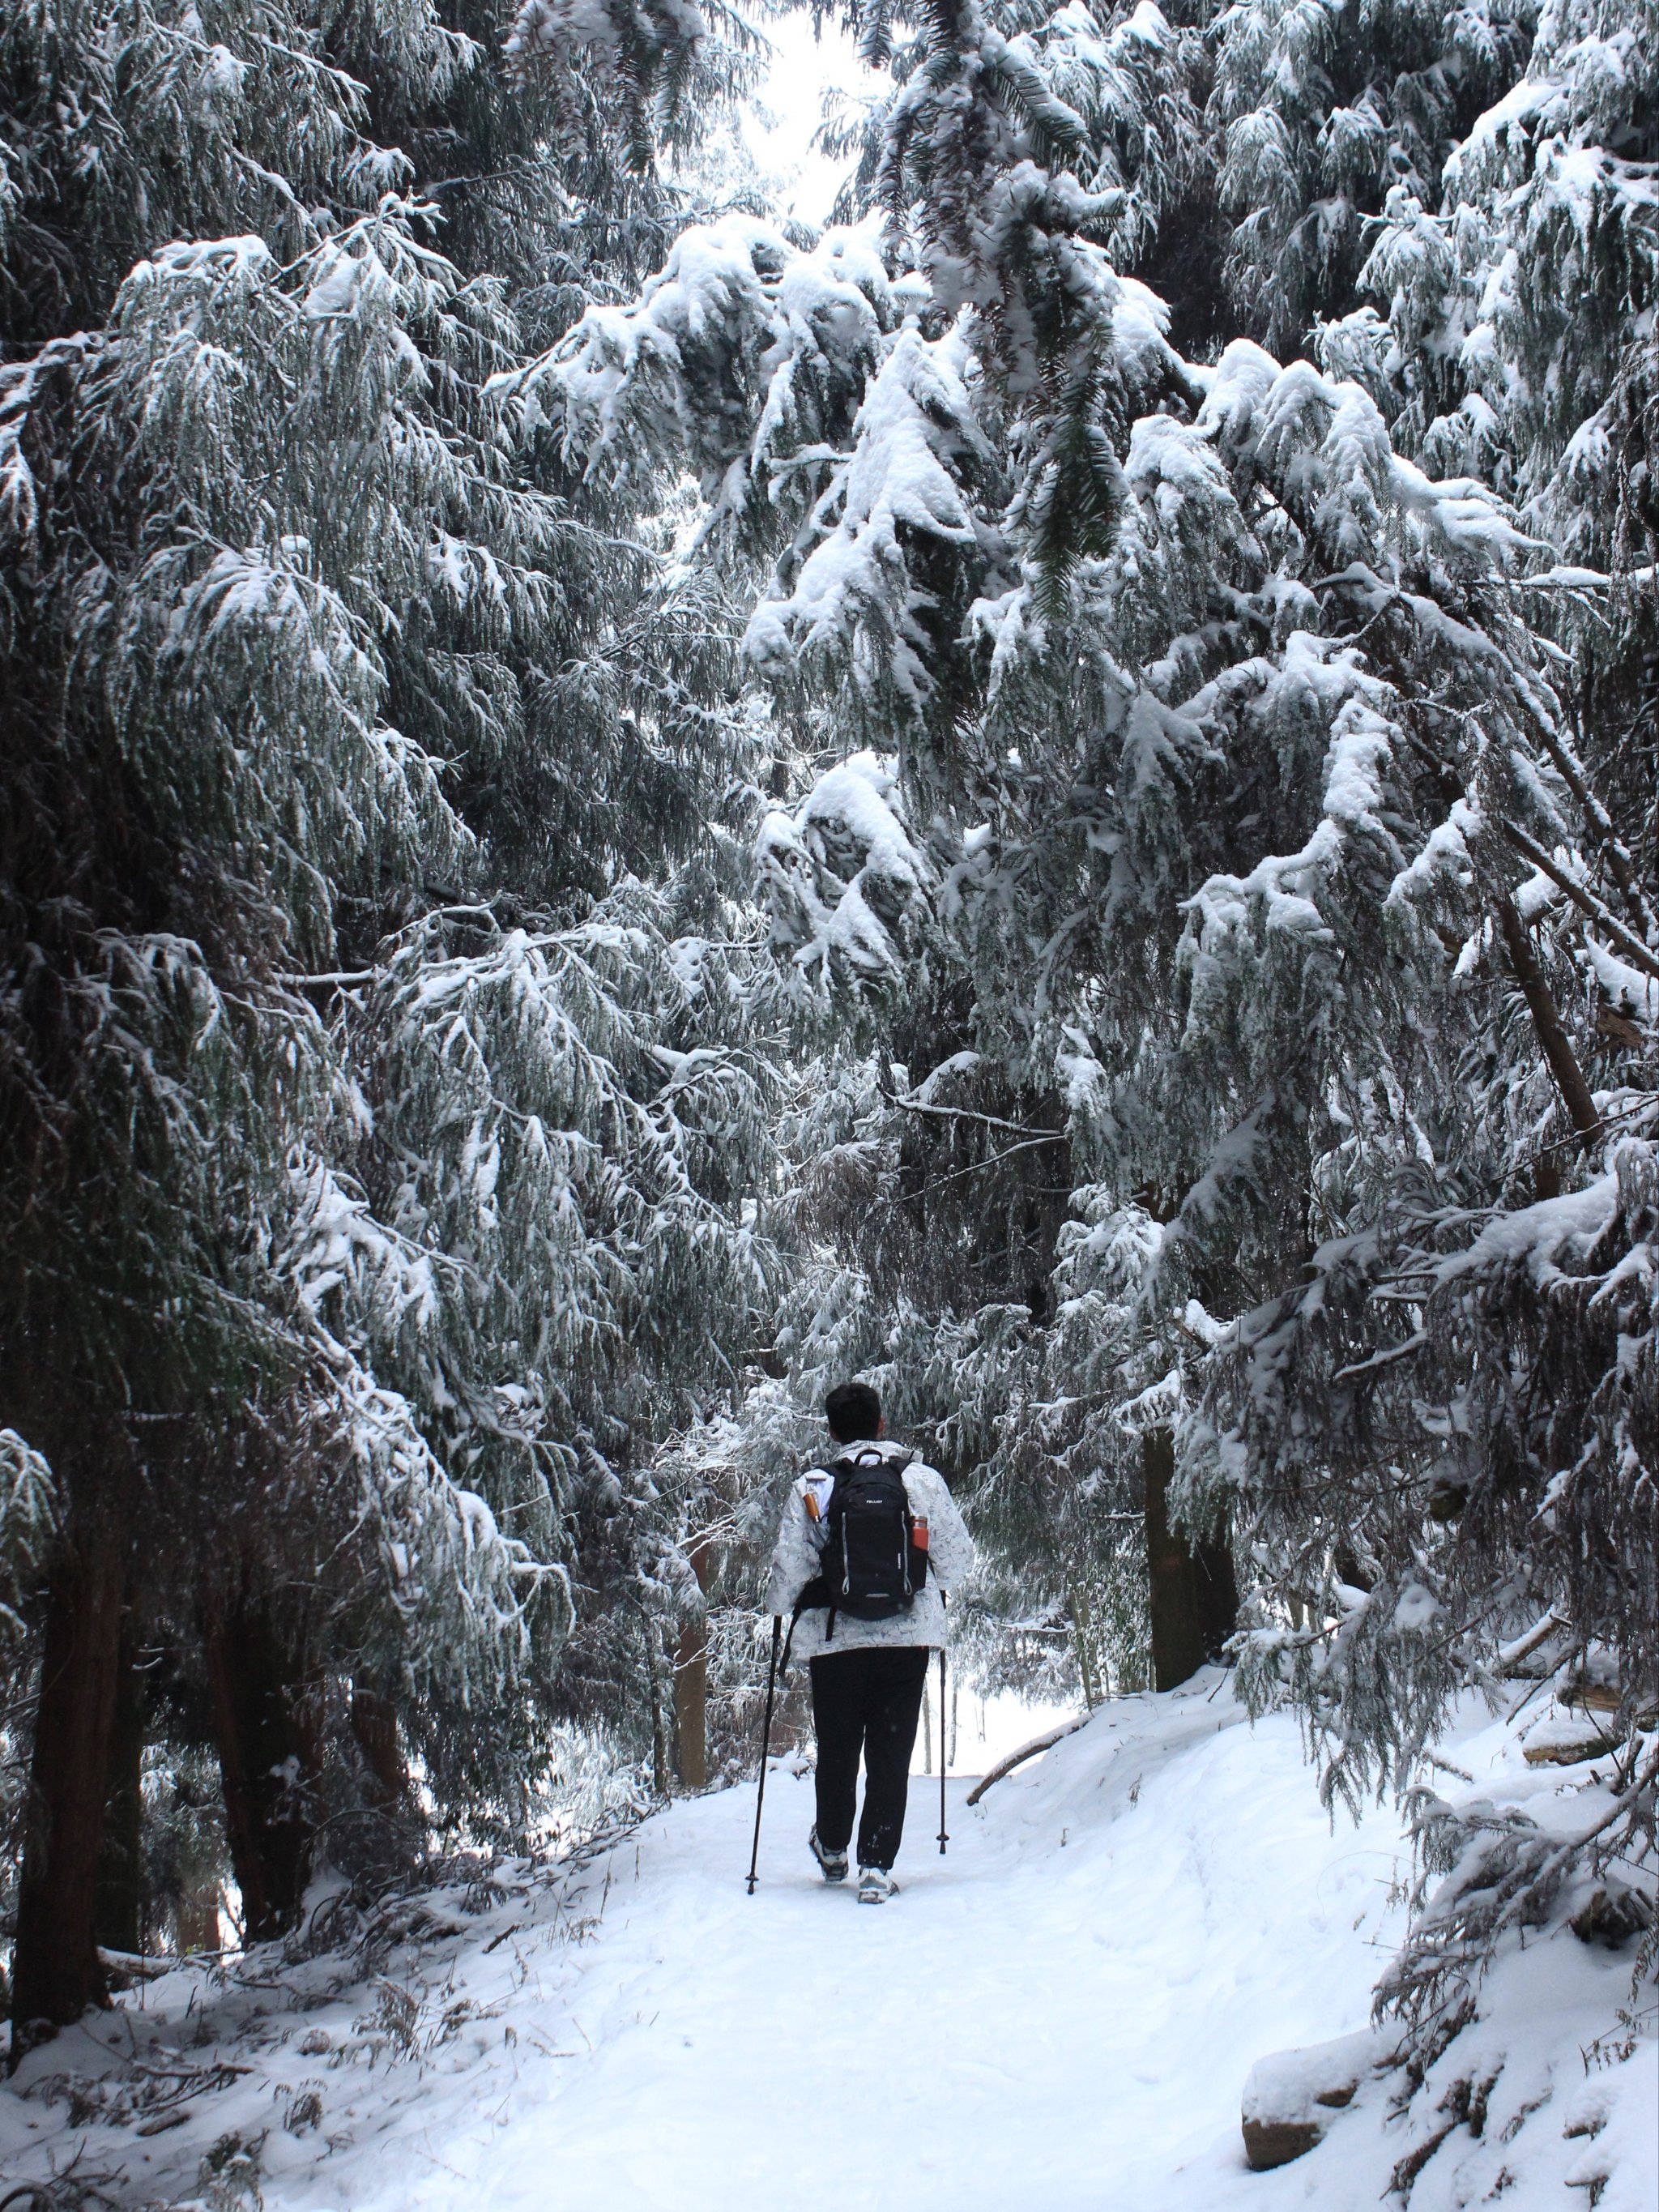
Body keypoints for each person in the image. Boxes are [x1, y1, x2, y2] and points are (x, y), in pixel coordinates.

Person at [766, 1381, 975, 1902]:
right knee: (890, 1750)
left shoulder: (813, 1486)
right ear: (882, 1424)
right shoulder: (921, 1482)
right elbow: (957, 1563)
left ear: (832, 1431)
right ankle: (877, 1867)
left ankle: (834, 1849)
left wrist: (776, 1609)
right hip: (908, 1638)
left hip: (835, 1640)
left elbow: (792, 1564)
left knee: (838, 1748)